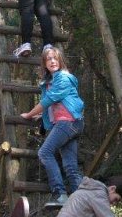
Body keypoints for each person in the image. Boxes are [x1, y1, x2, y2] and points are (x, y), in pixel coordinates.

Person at [20, 46, 84, 207]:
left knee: (45, 152)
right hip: (71, 122)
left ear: (60, 60)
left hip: (68, 123)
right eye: (49, 59)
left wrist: (28, 114)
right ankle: (79, 203)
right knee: (70, 166)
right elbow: (59, 104)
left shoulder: (62, 78)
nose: (53, 61)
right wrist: (42, 115)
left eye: (55, 58)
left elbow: (49, 100)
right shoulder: (52, 80)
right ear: (44, 63)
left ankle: (60, 194)